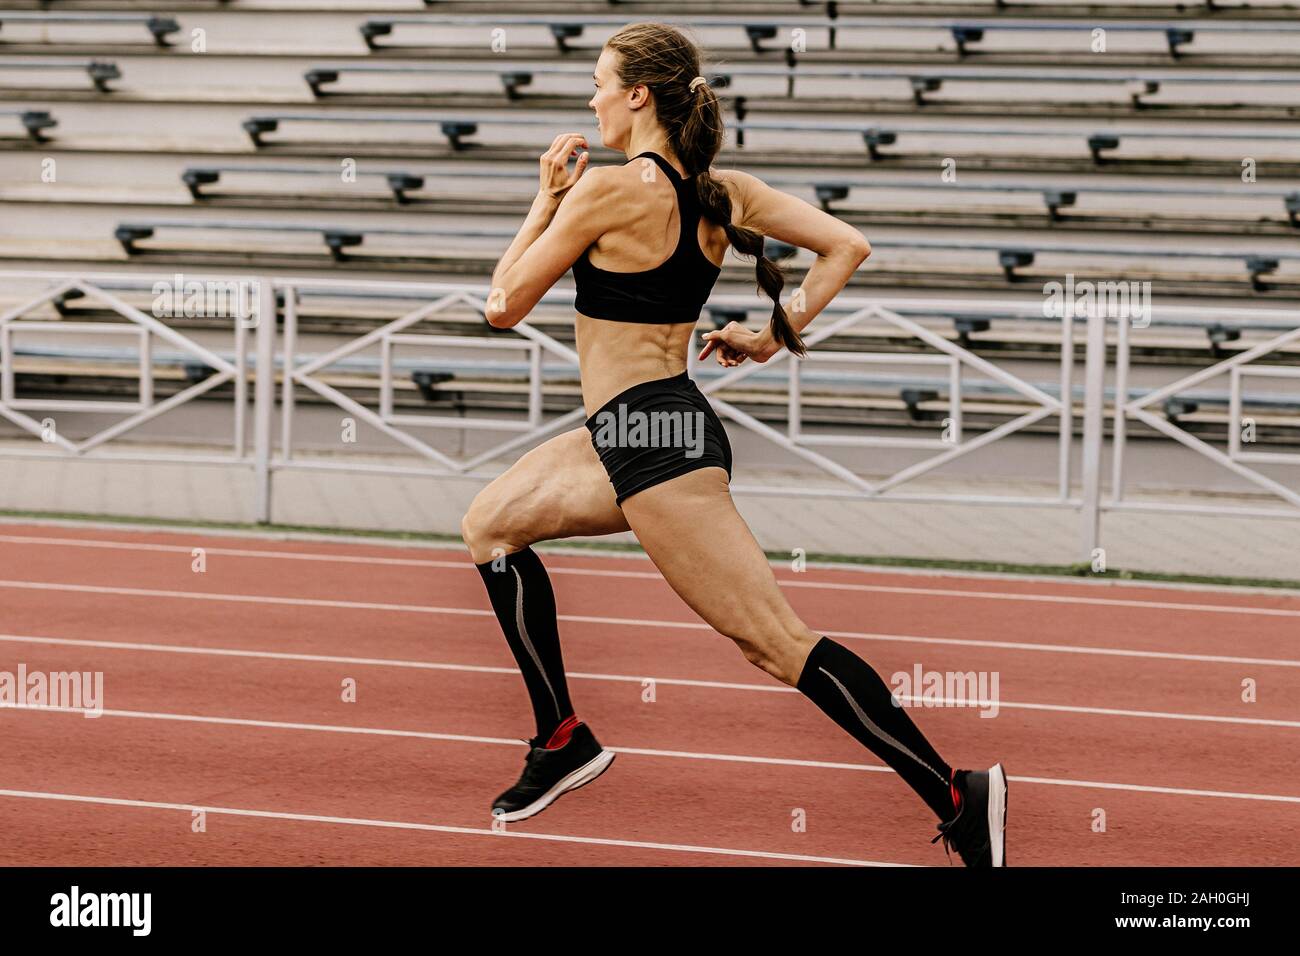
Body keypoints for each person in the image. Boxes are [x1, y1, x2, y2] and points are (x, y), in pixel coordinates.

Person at [462, 20, 1007, 866]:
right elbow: (846, 245)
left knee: (774, 642)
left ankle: (954, 793)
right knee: (490, 526)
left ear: (639, 94)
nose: (592, 97)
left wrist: (544, 198)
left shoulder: (605, 190)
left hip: (656, 440)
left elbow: (501, 306)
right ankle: (562, 737)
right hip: (641, 427)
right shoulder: (725, 192)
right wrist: (770, 335)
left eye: (601, 81)